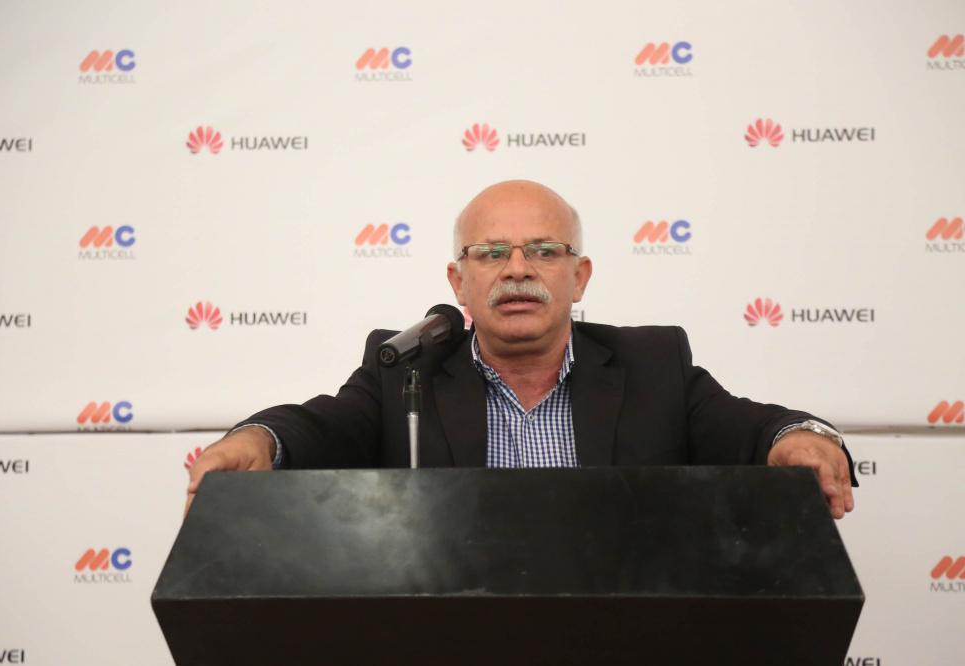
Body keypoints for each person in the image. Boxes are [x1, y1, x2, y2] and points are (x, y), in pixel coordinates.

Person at [186, 180, 856, 518]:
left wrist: (803, 440)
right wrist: (260, 440)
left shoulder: (654, 367)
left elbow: (755, 429)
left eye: (542, 251)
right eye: (489, 253)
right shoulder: (407, 372)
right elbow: (322, 426)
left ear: (578, 277)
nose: (516, 270)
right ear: (459, 282)